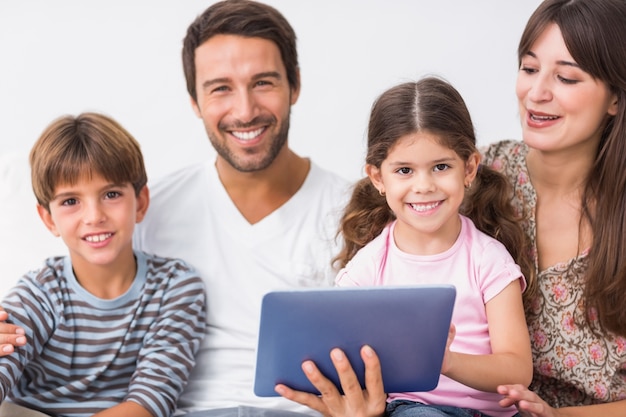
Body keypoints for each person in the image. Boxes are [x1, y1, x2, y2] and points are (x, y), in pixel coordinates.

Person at [0, 1, 348, 415]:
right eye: (220, 88)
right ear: (195, 102)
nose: (244, 110)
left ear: (295, 85)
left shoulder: (355, 212)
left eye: (264, 82)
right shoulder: (147, 210)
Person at [281, 1, 626, 416]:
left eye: (566, 76)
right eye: (529, 68)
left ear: (615, 98)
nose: (537, 93)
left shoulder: (479, 231)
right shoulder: (477, 173)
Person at [278, 77, 532, 417]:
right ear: (379, 178)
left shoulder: (488, 259)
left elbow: (517, 370)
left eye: (441, 167)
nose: (424, 186)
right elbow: (350, 366)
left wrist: (447, 362)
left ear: (469, 168)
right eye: (404, 170)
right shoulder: (367, 270)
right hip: (413, 409)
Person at [0, 112, 207, 417]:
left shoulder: (175, 286)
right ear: (48, 219)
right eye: (71, 201)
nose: (94, 216)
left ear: (140, 203)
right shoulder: (39, 293)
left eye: (111, 194)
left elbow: (150, 402)